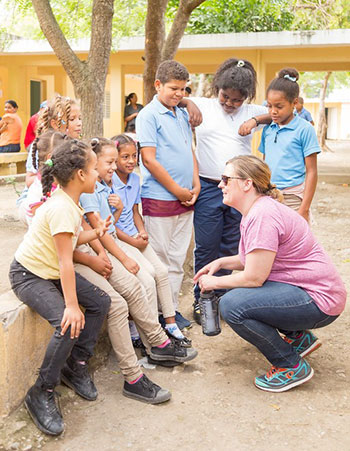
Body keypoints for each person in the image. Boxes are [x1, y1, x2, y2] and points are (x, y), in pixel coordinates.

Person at [194, 155, 347, 393]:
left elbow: (254, 277)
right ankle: (299, 338)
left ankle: (290, 365)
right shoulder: (258, 209)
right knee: (242, 296)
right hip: (311, 292)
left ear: (247, 183)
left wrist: (214, 282)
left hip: (319, 300)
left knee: (232, 305)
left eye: (226, 179)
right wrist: (221, 261)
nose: (220, 184)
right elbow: (255, 258)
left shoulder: (262, 215)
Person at [9, 139, 112, 436]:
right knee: (68, 324)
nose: (97, 175)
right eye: (94, 169)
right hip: (28, 275)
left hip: (49, 271)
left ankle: (76, 365)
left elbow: (66, 242)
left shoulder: (68, 202)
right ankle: (41, 390)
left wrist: (95, 231)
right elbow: (66, 262)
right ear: (80, 174)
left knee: (100, 303)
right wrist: (69, 305)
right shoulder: (63, 207)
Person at [79, 137, 198, 365]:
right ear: (91, 166)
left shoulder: (103, 186)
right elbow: (101, 233)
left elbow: (107, 226)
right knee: (143, 281)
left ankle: (158, 339)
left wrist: (124, 216)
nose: (115, 167)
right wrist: (123, 256)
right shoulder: (91, 190)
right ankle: (152, 344)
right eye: (110, 162)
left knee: (151, 277)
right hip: (110, 246)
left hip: (113, 243)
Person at [179, 58, 271, 323]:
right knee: (206, 246)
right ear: (216, 89)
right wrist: (188, 102)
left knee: (232, 246)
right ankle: (202, 298)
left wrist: (254, 119)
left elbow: (287, 112)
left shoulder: (251, 111)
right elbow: (171, 97)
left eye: (236, 100)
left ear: (246, 98)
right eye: (225, 97)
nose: (230, 104)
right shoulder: (205, 106)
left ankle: (225, 297)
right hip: (209, 186)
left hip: (241, 188)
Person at [136, 60, 201, 329]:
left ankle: (171, 309)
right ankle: (159, 315)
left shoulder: (181, 113)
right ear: (158, 85)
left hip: (186, 199)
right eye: (174, 88)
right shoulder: (148, 116)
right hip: (161, 199)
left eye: (184, 90)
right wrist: (176, 190)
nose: (179, 94)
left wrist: (196, 184)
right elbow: (149, 160)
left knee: (176, 260)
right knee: (160, 261)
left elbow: (190, 151)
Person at [110, 133, 192, 346]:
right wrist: (133, 240)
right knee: (148, 275)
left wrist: (142, 231)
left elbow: (136, 212)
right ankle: (143, 331)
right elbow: (109, 226)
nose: (130, 161)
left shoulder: (136, 180)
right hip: (121, 239)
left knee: (162, 271)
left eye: (133, 156)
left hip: (135, 236)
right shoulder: (109, 184)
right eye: (124, 157)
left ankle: (170, 323)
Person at [259, 68, 321, 222]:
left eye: (279, 107)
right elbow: (265, 164)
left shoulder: (305, 129)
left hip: (293, 198)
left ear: (294, 103)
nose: (273, 111)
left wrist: (304, 209)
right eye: (269, 106)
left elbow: (312, 171)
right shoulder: (268, 129)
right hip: (269, 195)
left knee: (294, 243)